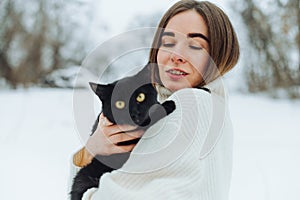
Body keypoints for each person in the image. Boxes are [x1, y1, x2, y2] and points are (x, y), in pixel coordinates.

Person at [69, 0, 239, 199]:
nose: (176, 55)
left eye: (195, 45)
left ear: (218, 56)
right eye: (168, 43)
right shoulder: (213, 107)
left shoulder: (190, 104)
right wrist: (91, 151)